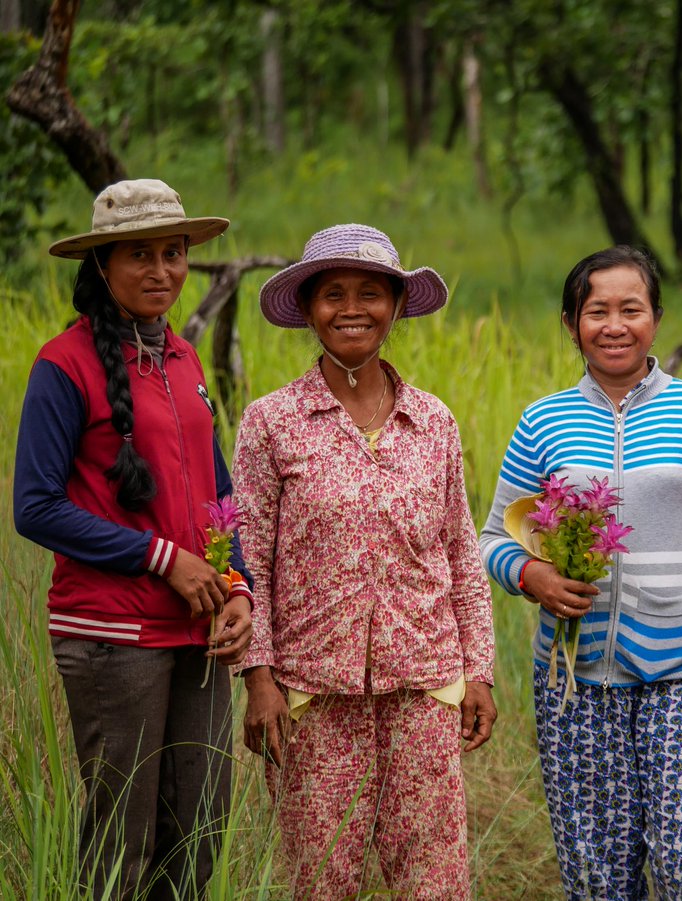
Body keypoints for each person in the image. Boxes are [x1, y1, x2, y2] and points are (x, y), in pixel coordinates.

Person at [479, 245, 682, 900]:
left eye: (631, 309)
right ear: (571, 323)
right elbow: (490, 539)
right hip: (575, 681)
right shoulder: (543, 421)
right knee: (597, 874)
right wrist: (532, 575)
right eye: (597, 311)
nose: (614, 325)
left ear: (656, 318)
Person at [233, 223, 496, 899]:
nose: (353, 308)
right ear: (310, 310)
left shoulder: (432, 420)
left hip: (425, 686)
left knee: (434, 881)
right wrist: (258, 680)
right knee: (322, 881)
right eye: (334, 294)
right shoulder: (272, 422)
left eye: (371, 293)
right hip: (313, 693)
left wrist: (479, 671)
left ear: (397, 305)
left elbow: (462, 552)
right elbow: (249, 560)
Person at [13, 178, 254, 900]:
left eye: (174, 253)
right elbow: (35, 505)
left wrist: (236, 583)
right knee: (124, 841)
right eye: (139, 254)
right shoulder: (64, 364)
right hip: (111, 634)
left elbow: (218, 494)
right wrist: (161, 558)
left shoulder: (182, 357)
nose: (161, 271)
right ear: (101, 265)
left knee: (201, 828)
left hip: (199, 628)